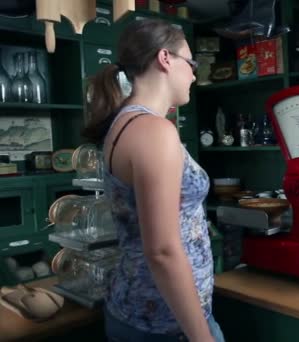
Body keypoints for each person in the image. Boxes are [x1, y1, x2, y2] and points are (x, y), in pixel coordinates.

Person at [82, 19, 224, 342]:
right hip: (165, 326)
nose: (193, 74)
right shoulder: (154, 132)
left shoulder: (124, 124)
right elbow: (161, 250)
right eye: (190, 63)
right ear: (165, 59)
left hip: (143, 314)